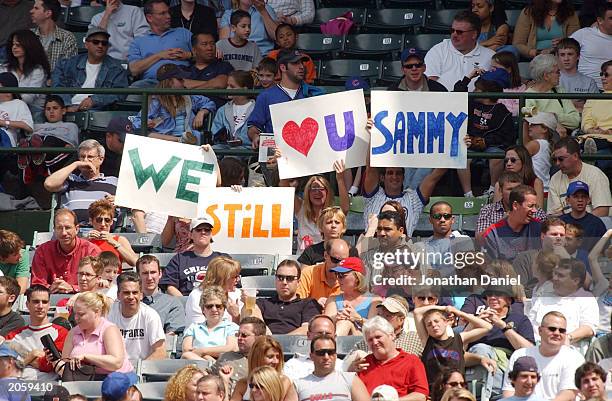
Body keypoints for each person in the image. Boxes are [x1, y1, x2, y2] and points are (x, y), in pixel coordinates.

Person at [463, 286, 535, 399]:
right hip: (475, 362)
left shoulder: (520, 319)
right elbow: (458, 349)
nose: (492, 297)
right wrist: (473, 323)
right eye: (489, 295)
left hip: (504, 366)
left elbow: (529, 351)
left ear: (509, 300)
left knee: (482, 349)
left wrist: (503, 326)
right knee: (481, 349)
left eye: (498, 294)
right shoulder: (477, 321)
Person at [247, 48, 324, 148]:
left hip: (310, 154)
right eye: (295, 63)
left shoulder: (313, 93)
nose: (301, 67)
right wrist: (255, 136)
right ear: (283, 67)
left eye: (302, 63)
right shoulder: (266, 96)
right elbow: (254, 126)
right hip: (276, 156)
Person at [502, 311, 585, 401]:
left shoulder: (574, 357)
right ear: (540, 331)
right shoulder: (520, 355)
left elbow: (569, 394)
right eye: (552, 329)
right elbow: (508, 392)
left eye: (562, 330)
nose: (557, 333)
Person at [54, 291, 134, 380]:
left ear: (97, 312)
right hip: (83, 379)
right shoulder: (73, 332)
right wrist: (55, 361)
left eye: (81, 314)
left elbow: (116, 363)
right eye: (75, 313)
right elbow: (66, 365)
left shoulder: (109, 329)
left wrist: (86, 357)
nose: (76, 318)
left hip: (116, 380)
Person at [131, 63, 216, 145]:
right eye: (179, 79)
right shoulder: (156, 101)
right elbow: (137, 122)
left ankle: (181, 140)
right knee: (143, 134)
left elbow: (209, 103)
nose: (183, 82)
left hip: (188, 139)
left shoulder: (188, 97)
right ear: (169, 82)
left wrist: (202, 112)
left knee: (197, 137)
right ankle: (179, 140)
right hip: (165, 142)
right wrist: (147, 122)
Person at [51, 27, 128, 112]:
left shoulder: (116, 69)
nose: (100, 46)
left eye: (104, 43)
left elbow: (119, 94)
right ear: (86, 44)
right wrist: (66, 105)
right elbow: (57, 86)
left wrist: (94, 100)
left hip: (97, 110)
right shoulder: (68, 64)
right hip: (65, 108)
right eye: (95, 42)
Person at [44, 139, 118, 225]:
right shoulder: (70, 180)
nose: (85, 161)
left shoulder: (113, 181)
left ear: (101, 159)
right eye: (82, 157)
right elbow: (49, 184)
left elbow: (132, 202)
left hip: (104, 231)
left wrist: (119, 201)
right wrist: (75, 164)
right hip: (72, 233)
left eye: (90, 157)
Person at [414, 305, 492, 386]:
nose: (433, 325)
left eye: (436, 321)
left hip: (457, 388)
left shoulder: (458, 339)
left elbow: (487, 327)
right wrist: (443, 308)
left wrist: (459, 313)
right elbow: (417, 312)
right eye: (429, 324)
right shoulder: (427, 341)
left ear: (446, 322)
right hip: (435, 391)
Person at [527, 259, 598, 346]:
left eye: (560, 275)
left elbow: (589, 328)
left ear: (576, 281)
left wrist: (567, 338)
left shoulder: (586, 299)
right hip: (536, 347)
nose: (554, 278)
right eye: (555, 273)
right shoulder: (544, 296)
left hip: (569, 349)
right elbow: (530, 323)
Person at [356, 316, 429, 400]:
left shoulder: (411, 361)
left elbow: (421, 395)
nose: (375, 342)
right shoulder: (363, 364)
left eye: (378, 337)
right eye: (370, 340)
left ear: (391, 335)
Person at [31, 209, 101, 292]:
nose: (64, 233)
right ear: (54, 230)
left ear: (77, 229)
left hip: (84, 300)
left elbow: (98, 283)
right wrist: (51, 288)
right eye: (59, 228)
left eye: (68, 228)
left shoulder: (91, 251)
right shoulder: (43, 251)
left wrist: (73, 288)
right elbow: (38, 284)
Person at [424, 10, 496, 91]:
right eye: (452, 30)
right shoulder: (438, 51)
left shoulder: (490, 56)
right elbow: (430, 82)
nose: (454, 35)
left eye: (459, 32)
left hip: (476, 102)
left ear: (474, 34)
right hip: (443, 101)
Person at [160, 216, 228, 296]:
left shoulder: (223, 259)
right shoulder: (179, 259)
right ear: (190, 235)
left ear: (211, 235)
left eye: (207, 230)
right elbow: (170, 286)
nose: (203, 232)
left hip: (217, 304)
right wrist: (186, 303)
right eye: (198, 230)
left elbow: (233, 285)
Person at [128, 0, 193, 83]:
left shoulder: (183, 33)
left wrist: (188, 55)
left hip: (183, 81)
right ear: (149, 18)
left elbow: (207, 55)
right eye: (162, 13)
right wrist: (160, 55)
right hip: (150, 83)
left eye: (168, 12)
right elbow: (134, 70)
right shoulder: (138, 42)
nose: (168, 16)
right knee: (132, 95)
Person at [249, 259, 319, 335]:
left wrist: (281, 341)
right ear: (276, 279)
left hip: (294, 345)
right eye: (280, 277)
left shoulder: (308, 304)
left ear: (298, 282)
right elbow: (252, 317)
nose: (284, 282)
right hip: (265, 344)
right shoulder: (263, 303)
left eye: (290, 278)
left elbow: (307, 329)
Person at [107, 272, 166, 361]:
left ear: (141, 295)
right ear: (118, 295)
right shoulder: (109, 314)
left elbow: (160, 352)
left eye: (135, 292)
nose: (131, 297)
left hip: (141, 370)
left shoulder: (150, 316)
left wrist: (138, 369)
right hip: (114, 367)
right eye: (126, 293)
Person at [346, 296, 424, 362]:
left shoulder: (415, 339)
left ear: (401, 320)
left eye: (387, 315)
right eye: (379, 315)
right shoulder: (367, 342)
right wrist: (351, 366)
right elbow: (345, 364)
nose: (381, 319)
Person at [548, 137, 611, 217]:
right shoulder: (555, 179)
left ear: (575, 156)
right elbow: (554, 215)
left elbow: (602, 211)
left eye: (561, 159)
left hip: (595, 226)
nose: (557, 163)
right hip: (567, 227)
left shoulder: (595, 175)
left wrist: (581, 224)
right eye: (555, 159)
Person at [294, 334, 370, 401]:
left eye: (330, 352)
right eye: (321, 353)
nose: (326, 357)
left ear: (335, 355)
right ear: (311, 356)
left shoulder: (350, 379)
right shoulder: (298, 385)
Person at [481, 185, 543, 261]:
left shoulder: (539, 227)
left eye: (535, 206)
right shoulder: (494, 233)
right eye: (530, 206)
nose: (534, 210)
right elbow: (490, 267)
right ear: (515, 205)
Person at [226, 336, 297, 401]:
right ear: (257, 358)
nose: (276, 361)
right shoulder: (243, 384)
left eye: (278, 357)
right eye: (270, 357)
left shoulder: (284, 382)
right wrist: (225, 380)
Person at [525, 54, 580, 136]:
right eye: (557, 72)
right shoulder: (526, 96)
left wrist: (554, 116)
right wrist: (555, 123)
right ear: (546, 76)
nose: (560, 75)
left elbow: (575, 120)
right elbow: (530, 121)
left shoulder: (560, 91)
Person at [325, 257, 381, 336]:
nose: (337, 279)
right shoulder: (333, 299)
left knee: (345, 323)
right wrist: (337, 317)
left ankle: (330, 347)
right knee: (344, 322)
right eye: (336, 274)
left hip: (363, 343)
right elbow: (324, 325)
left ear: (357, 278)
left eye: (341, 275)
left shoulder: (374, 301)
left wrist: (358, 318)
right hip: (339, 337)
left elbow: (375, 329)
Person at [182, 285, 239, 360]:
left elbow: (231, 348)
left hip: (223, 365)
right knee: (187, 355)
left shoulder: (231, 327)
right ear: (203, 309)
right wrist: (207, 357)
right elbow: (186, 350)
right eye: (209, 306)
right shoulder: (194, 327)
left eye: (218, 306)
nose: (214, 309)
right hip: (197, 366)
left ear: (224, 308)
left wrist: (203, 351)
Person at [209, 316, 266, 391]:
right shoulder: (226, 356)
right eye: (238, 334)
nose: (239, 338)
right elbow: (208, 374)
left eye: (244, 335)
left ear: (259, 338)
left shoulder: (265, 360)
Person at [30, 95, 79, 180]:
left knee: (50, 139)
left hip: (59, 150)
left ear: (63, 111)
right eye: (48, 109)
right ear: (44, 112)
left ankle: (40, 160)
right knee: (34, 140)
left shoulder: (70, 126)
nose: (51, 112)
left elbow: (71, 146)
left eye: (55, 108)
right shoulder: (37, 126)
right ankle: (37, 159)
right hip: (40, 146)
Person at [0, 29, 50, 112]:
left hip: (33, 110)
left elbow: (29, 98)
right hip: (5, 108)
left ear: (28, 46)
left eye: (18, 45)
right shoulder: (4, 67)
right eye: (13, 44)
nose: (14, 47)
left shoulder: (38, 70)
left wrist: (9, 99)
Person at [512, 0, 579, 60]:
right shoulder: (529, 13)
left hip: (560, 58)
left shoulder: (570, 14)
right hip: (535, 58)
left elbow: (576, 42)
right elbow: (518, 44)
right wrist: (537, 53)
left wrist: (565, 42)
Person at [183, 32, 234, 109]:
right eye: (204, 44)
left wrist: (190, 92)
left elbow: (220, 83)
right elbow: (181, 83)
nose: (210, 48)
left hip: (218, 114)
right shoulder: (185, 69)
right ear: (194, 50)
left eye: (212, 44)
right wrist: (211, 84)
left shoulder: (223, 66)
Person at [283, 315, 341, 381]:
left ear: (335, 336)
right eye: (319, 333)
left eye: (327, 334)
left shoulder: (342, 366)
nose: (323, 337)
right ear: (308, 335)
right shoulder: (293, 366)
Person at [137, 254, 185, 334]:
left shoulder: (172, 303)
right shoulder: (129, 301)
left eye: (153, 272)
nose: (149, 278)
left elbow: (172, 335)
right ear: (138, 275)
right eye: (145, 273)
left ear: (160, 274)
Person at [186, 256, 242, 325]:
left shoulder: (237, 294)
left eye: (238, 276)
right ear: (221, 279)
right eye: (234, 277)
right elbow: (200, 330)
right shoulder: (197, 296)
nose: (238, 280)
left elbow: (245, 330)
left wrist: (236, 316)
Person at [296, 238, 349, 307]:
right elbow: (298, 303)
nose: (339, 265)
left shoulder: (350, 277)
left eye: (344, 262)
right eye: (335, 260)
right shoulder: (309, 273)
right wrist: (314, 304)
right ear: (325, 255)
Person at [580, 59, 612, 171]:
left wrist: (609, 131)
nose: (603, 77)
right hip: (594, 136)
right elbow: (586, 121)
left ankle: (589, 159)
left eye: (606, 74)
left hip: (609, 139)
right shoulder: (594, 98)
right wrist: (591, 130)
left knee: (603, 157)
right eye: (601, 74)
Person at [571, 4, 612, 89]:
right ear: (600, 20)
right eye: (611, 18)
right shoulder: (583, 34)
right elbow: (562, 53)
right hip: (583, 90)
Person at [86, 199, 138, 267]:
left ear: (111, 222)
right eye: (99, 220)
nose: (103, 224)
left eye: (107, 220)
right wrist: (86, 241)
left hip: (113, 276)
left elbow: (136, 262)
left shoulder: (119, 240)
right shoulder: (84, 241)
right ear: (91, 221)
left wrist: (115, 243)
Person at [211, 70, 255, 149]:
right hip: (224, 146)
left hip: (247, 147)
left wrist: (242, 140)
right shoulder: (222, 110)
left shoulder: (256, 109)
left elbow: (258, 133)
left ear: (245, 89)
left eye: (232, 86)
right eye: (227, 85)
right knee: (211, 151)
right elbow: (215, 133)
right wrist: (221, 137)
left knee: (232, 155)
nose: (228, 89)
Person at [29, 0, 77, 70]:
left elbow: (67, 69)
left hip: (57, 80)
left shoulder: (67, 38)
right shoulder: (29, 35)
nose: (31, 11)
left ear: (48, 13)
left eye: (36, 8)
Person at [560, 181, 607, 250]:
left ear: (588, 200)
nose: (580, 200)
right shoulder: (561, 222)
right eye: (576, 196)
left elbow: (604, 249)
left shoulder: (597, 223)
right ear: (568, 200)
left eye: (583, 196)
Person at [556, 38, 599, 112]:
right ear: (558, 57)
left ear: (578, 56)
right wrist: (574, 104)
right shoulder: (551, 79)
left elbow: (595, 108)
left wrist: (563, 104)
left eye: (570, 54)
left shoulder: (589, 82)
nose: (566, 58)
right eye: (562, 55)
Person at [523, 111, 555, 194]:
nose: (530, 126)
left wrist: (524, 124)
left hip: (536, 190)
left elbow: (520, 153)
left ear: (544, 129)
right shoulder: (546, 144)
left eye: (534, 124)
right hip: (544, 189)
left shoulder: (536, 144)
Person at [0, 71, 33, 147]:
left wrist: (3, 122)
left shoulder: (18, 104)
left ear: (8, 91)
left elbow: (28, 127)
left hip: (6, 139)